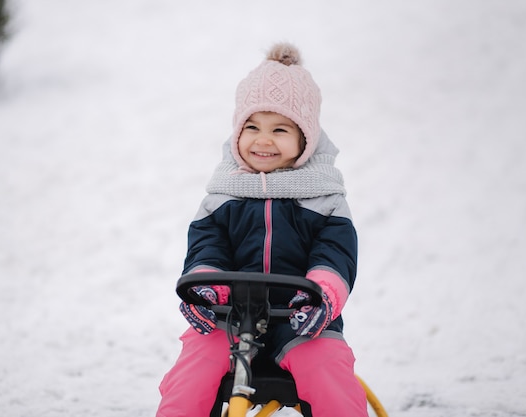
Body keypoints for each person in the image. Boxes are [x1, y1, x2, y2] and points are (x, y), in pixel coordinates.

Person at [156, 42, 368, 417]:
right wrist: (207, 285)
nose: (263, 140)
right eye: (251, 127)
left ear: (306, 138)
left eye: (280, 129)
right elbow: (207, 247)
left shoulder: (325, 198)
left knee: (329, 373)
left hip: (303, 321)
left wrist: (320, 296)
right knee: (191, 373)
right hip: (226, 321)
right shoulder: (222, 195)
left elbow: (336, 255)